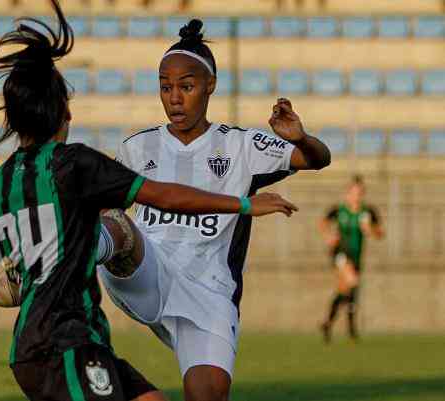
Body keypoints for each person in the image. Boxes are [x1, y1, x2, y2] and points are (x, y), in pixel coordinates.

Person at [0, 4, 299, 401]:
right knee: (118, 226)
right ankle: (98, 245)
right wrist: (244, 205)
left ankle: (97, 246)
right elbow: (162, 195)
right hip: (65, 342)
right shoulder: (76, 164)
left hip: (56, 343)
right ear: (63, 112)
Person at [96, 19, 331, 401]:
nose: (174, 98)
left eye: (186, 87)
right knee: (115, 223)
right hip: (148, 269)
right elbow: (108, 210)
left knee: (209, 394)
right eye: (165, 87)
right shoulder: (137, 149)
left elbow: (316, 159)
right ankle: (61, 261)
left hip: (210, 292)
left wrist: (301, 137)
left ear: (210, 86)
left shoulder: (241, 146)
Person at [318, 175, 383, 343]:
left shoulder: (368, 212)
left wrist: (370, 230)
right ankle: (352, 329)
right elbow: (322, 223)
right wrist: (329, 236)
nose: (356, 196)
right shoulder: (339, 210)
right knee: (352, 282)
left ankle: (328, 323)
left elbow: (380, 234)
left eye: (360, 192)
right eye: (353, 192)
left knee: (345, 291)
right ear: (347, 193)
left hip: (356, 256)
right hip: (340, 254)